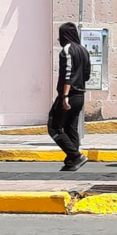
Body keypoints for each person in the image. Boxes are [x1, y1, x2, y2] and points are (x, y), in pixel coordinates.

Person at [48, 22, 91, 171]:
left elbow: (68, 73)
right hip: (80, 94)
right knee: (71, 127)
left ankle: (75, 155)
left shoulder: (67, 50)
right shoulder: (84, 50)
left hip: (69, 94)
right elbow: (87, 75)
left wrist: (65, 95)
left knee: (54, 126)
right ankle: (71, 161)